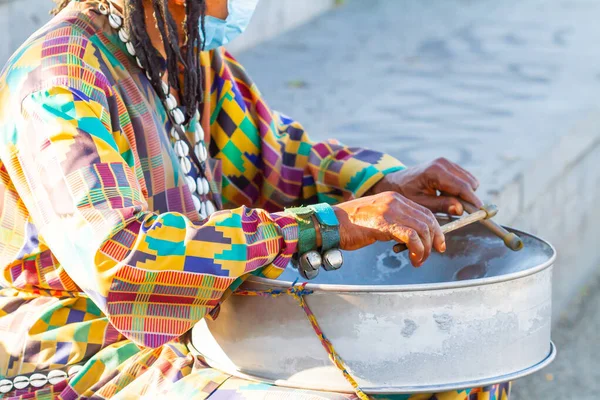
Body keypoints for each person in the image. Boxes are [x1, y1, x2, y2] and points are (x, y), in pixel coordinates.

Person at [0, 0, 510, 398]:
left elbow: (276, 159)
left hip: (198, 328)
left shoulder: (188, 56)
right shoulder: (58, 80)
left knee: (461, 367)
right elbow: (123, 261)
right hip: (80, 354)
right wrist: (321, 226)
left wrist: (381, 185)